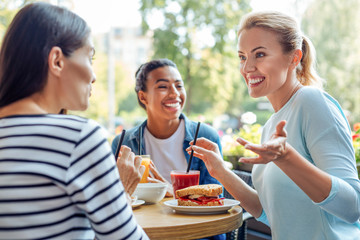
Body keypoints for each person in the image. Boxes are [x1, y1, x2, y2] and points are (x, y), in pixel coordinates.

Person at [188, 11, 360, 240]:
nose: (247, 67)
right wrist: (219, 170)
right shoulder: (271, 125)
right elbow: (270, 213)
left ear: (294, 58)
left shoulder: (311, 102)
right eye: (242, 56)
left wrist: (287, 158)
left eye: (259, 54)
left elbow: (352, 206)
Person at [0, 3, 148, 240]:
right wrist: (121, 195)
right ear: (57, 60)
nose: (94, 75)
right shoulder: (79, 138)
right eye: (90, 57)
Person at [111, 59, 222, 196]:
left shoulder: (205, 137)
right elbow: (114, 195)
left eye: (179, 86)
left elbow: (216, 197)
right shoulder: (124, 143)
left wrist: (174, 193)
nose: (175, 93)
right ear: (143, 97)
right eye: (163, 86)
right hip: (144, 218)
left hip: (193, 218)